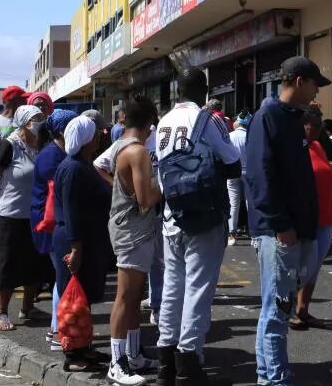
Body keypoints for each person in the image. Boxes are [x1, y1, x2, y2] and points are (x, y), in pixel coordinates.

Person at [155, 68, 241, 386]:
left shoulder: (163, 122)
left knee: (173, 289)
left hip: (170, 213)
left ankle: (165, 362)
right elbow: (233, 164)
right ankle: (189, 365)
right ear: (204, 91)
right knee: (198, 290)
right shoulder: (208, 120)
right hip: (203, 216)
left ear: (178, 90)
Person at [246, 56, 328, 386]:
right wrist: (281, 224)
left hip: (292, 230)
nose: (316, 92)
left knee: (274, 309)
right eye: (313, 84)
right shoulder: (269, 116)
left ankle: (269, 377)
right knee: (277, 310)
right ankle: (276, 380)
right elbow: (259, 175)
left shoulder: (292, 118)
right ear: (297, 81)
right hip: (279, 233)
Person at [107, 96, 163, 385]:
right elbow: (144, 201)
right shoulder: (138, 151)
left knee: (133, 298)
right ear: (150, 123)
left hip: (129, 228)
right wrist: (164, 186)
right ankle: (116, 363)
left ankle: (133, 355)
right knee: (126, 297)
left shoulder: (120, 146)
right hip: (133, 230)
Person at [53, 114, 113, 372]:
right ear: (88, 139)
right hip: (74, 241)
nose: (100, 136)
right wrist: (76, 248)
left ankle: (83, 347)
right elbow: (72, 210)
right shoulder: (74, 168)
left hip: (86, 240)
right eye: (96, 134)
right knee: (74, 300)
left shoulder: (81, 164)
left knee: (83, 298)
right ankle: (73, 354)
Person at [0, 105, 48, 332]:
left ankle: (28, 308)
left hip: (34, 216)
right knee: (8, 266)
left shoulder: (39, 146)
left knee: (34, 265)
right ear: (23, 122)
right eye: (35, 119)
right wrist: (0, 196)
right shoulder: (9, 146)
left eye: (41, 118)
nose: (40, 122)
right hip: (8, 215)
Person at [34, 108, 77, 352]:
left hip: (51, 223)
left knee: (62, 277)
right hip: (50, 224)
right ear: (62, 131)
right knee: (63, 277)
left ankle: (55, 328)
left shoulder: (57, 152)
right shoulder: (53, 156)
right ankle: (57, 330)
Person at [291, 110, 332, 330]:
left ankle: (303, 310)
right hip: (305, 219)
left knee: (314, 268)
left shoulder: (318, 147)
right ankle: (290, 311)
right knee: (299, 268)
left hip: (326, 217)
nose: (319, 129)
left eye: (320, 125)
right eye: (314, 125)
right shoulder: (293, 149)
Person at [227, 111, 251, 246]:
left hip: (232, 172)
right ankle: (253, 231)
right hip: (248, 172)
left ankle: (232, 233)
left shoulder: (230, 136)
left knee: (233, 203)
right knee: (249, 202)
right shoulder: (251, 136)